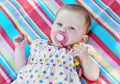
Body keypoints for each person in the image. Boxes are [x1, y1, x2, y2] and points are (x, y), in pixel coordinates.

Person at [12, 4, 99, 84]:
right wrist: (19, 48)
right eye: (59, 24)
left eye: (71, 28)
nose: (62, 30)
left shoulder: (78, 51)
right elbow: (21, 68)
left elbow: (93, 76)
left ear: (82, 39)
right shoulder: (39, 45)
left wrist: (86, 57)